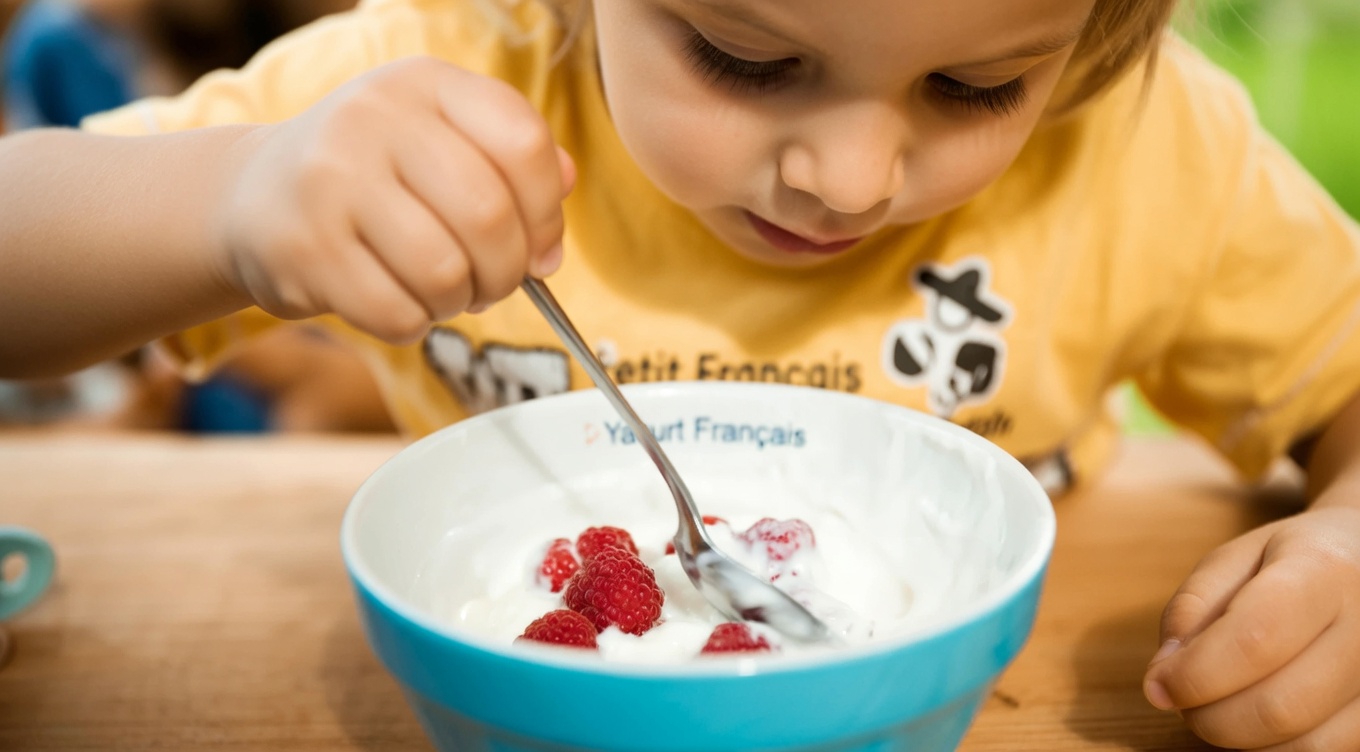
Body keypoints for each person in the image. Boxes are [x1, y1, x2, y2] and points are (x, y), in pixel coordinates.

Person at [0, 0, 1357, 746]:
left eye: (976, 88)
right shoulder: (442, 75)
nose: (850, 177)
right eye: (743, 56)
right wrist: (227, 196)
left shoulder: (1142, 151)